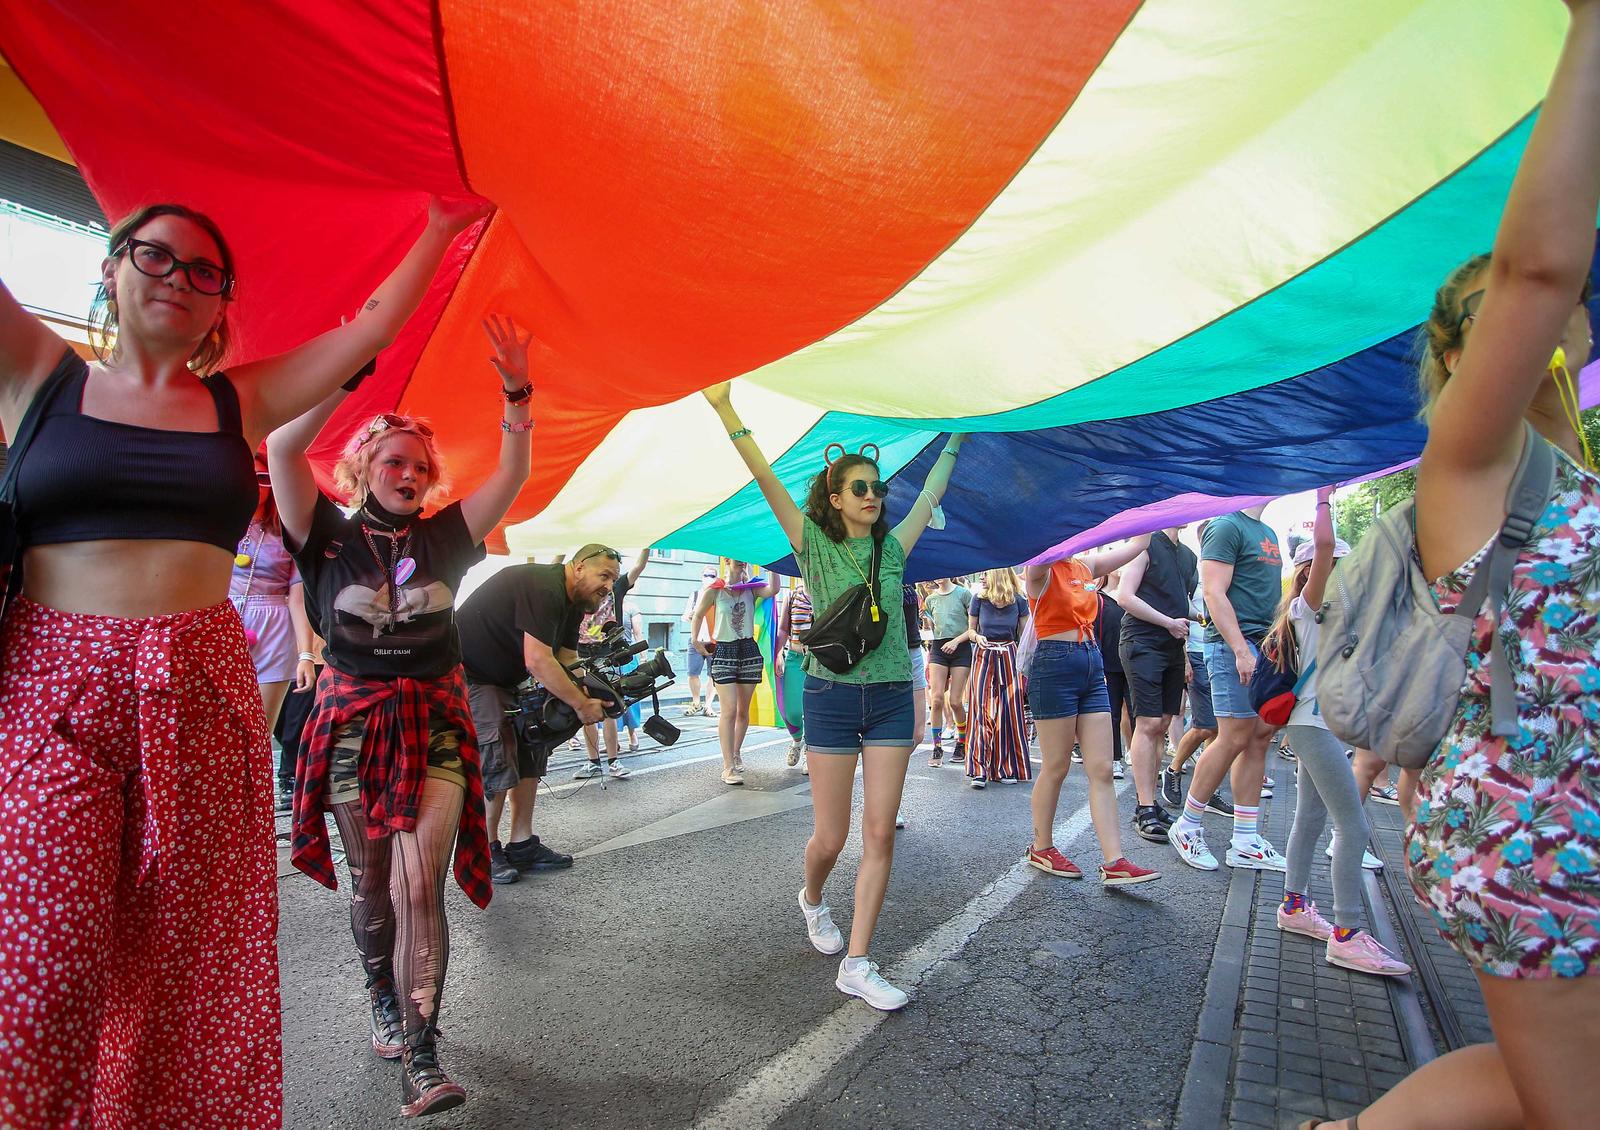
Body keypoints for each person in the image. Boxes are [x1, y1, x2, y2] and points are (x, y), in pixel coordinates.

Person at [0, 193, 487, 1127]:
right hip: (55, 691)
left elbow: (371, 330)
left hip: (201, 688)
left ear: (223, 303)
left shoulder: (236, 400)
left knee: (190, 963)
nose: (178, 278)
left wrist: (437, 228)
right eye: (155, 256)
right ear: (111, 268)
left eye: (205, 271)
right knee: (40, 970)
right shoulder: (39, 376)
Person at [1319, 10, 1600, 1125]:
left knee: (1541, 1090)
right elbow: (1537, 265)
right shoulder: (1470, 463)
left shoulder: (1572, 471)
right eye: (1489, 321)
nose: (1531, 327)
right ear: (1452, 355)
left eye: (1553, 315)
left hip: (1569, 830)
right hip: (1530, 845)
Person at [270, 311, 532, 1118]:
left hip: (436, 725)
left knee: (422, 886)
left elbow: (511, 476)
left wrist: (516, 395)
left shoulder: (448, 537)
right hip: (349, 725)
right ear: (362, 468)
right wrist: (347, 377)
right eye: (393, 460)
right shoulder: (322, 533)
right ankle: (381, 996)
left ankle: (422, 1053)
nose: (408, 473)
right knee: (373, 880)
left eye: (419, 465)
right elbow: (281, 447)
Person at [703, 382, 961, 1010]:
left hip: (892, 699)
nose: (873, 495)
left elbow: (932, 493)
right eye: (860, 487)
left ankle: (859, 962)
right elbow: (766, 479)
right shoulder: (813, 546)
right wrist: (727, 410)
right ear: (836, 497)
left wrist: (962, 431)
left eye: (878, 487)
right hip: (832, 697)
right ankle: (812, 899)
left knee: (881, 834)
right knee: (831, 837)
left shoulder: (893, 550)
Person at [1270, 489, 1410, 976]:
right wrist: (1324, 498)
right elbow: (1326, 546)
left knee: (1309, 819)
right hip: (1313, 727)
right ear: (1316, 571)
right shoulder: (1309, 609)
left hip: (1323, 728)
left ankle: (1293, 907)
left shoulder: (1340, 618)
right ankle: (1347, 933)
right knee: (1354, 826)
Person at [456, 550, 625, 888]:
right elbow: (537, 659)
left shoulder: (574, 602)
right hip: (470, 675)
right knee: (497, 756)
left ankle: (522, 845)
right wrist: (580, 704)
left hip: (508, 679)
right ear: (579, 567)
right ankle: (484, 851)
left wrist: (597, 691)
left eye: (613, 580)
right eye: (604, 576)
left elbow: (567, 657)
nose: (609, 586)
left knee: (530, 747)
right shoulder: (545, 587)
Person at [1023, 539, 1161, 887]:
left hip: (1091, 661)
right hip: (1054, 664)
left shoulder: (1085, 565)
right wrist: (1065, 526)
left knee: (1102, 768)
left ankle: (1115, 861)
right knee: (1056, 766)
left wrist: (1144, 515)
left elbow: (1137, 545)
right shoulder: (1041, 568)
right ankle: (1041, 847)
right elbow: (1041, 557)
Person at [1167, 505, 1285, 873]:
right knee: (1232, 736)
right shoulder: (1225, 525)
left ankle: (1246, 840)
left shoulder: (1266, 532)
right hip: (1235, 646)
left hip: (1264, 645)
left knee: (1258, 738)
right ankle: (1186, 826)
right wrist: (1239, 650)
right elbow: (1214, 593)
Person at [1117, 525, 1196, 842]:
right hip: (1142, 641)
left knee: (1162, 723)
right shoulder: (1144, 543)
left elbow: (1183, 605)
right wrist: (1168, 622)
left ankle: (1150, 802)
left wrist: (1208, 617)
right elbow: (1124, 596)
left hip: (1173, 645)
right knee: (1149, 723)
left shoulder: (1188, 556)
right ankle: (1145, 806)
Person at [692, 559, 780, 784]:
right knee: (729, 710)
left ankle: (736, 753)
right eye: (736, 558)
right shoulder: (716, 589)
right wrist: (695, 640)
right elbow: (698, 614)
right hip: (724, 650)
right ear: (727, 561)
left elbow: (773, 590)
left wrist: (772, 565)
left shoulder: (752, 588)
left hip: (748, 650)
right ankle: (727, 767)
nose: (741, 561)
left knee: (742, 710)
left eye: (743, 558)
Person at [575, 548, 650, 777]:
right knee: (587, 708)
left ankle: (613, 761)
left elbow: (638, 567)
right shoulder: (580, 589)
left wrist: (648, 545)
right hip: (580, 653)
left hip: (607, 653)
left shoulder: (616, 587)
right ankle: (593, 761)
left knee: (609, 709)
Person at [964, 568, 1031, 786]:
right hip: (984, 654)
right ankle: (979, 769)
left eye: (985, 574)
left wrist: (1027, 665)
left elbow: (1025, 636)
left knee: (1009, 710)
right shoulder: (978, 599)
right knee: (981, 709)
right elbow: (971, 630)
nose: (981, 577)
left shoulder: (1019, 600)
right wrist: (977, 637)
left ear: (998, 575)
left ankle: (1005, 767)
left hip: (1009, 654)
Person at [925, 576, 974, 765]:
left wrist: (956, 641)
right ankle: (937, 747)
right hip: (939, 648)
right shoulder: (930, 599)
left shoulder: (964, 594)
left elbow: (973, 627)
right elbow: (932, 627)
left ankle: (962, 743)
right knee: (936, 698)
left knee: (955, 701)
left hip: (961, 648)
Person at [1093, 575, 1132, 780]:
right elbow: (1094, 633)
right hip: (1109, 663)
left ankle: (1137, 754)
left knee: (1138, 713)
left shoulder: (1135, 594)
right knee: (1112, 714)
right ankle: (1114, 758)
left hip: (1135, 662)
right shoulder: (1098, 598)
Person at [776, 578, 813, 771]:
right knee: (792, 711)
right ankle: (797, 741)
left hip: (819, 660)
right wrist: (778, 654)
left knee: (813, 710)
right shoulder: (791, 596)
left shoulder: (826, 592)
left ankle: (810, 752)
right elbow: (783, 629)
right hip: (795, 657)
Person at [681, 565, 720, 716]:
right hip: (696, 639)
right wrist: (690, 615)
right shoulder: (696, 595)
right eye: (706, 575)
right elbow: (685, 616)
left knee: (713, 674)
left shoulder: (719, 595)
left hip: (713, 640)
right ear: (701, 577)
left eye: (712, 576)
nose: (709, 578)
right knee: (692, 672)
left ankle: (708, 705)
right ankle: (696, 702)